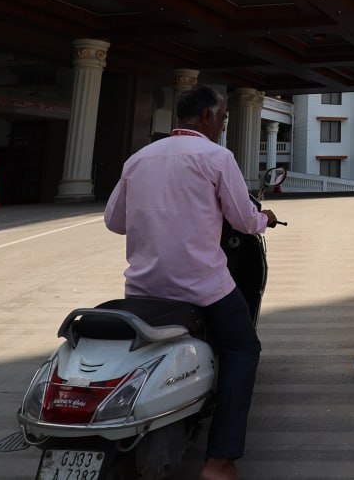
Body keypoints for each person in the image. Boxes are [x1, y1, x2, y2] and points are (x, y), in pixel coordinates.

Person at [105, 86, 278, 480]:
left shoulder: (139, 158)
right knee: (242, 349)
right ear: (205, 117)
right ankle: (220, 460)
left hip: (144, 289)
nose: (222, 126)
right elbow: (242, 220)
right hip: (203, 287)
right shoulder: (216, 157)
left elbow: (114, 221)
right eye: (222, 118)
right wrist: (264, 218)